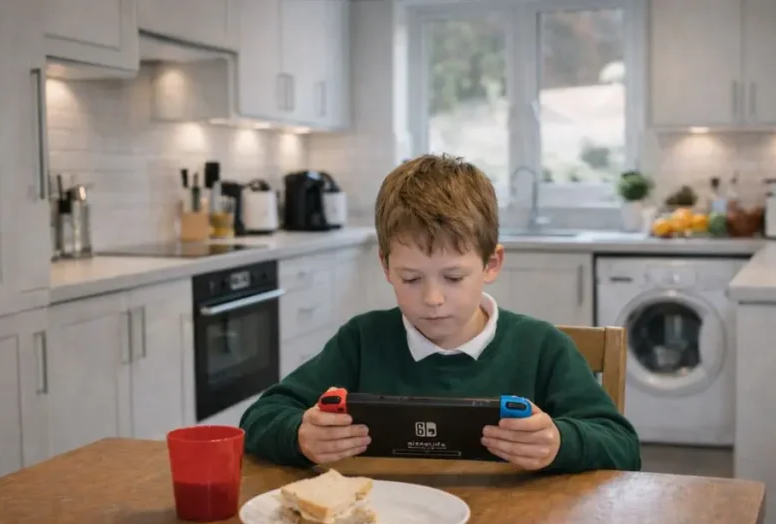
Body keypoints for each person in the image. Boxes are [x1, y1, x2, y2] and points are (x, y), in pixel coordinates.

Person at [239, 154, 641, 473]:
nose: (432, 299)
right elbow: (259, 418)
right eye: (411, 279)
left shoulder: (542, 348)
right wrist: (300, 435)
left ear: (491, 264)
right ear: (385, 267)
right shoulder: (363, 341)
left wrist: (560, 441)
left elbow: (622, 447)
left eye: (453, 277)